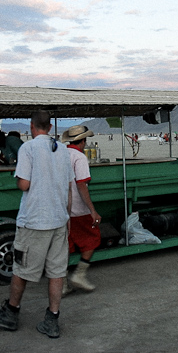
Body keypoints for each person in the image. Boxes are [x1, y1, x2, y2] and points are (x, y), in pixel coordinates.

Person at [0, 110, 74, 338]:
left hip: (35, 220)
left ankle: (11, 313)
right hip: (59, 220)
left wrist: (19, 178)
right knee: (56, 272)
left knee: (22, 269)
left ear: (32, 127)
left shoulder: (28, 148)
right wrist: (68, 218)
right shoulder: (64, 151)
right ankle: (52, 320)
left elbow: (24, 184)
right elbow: (69, 189)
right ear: (51, 128)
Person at [60, 125, 102, 295]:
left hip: (61, 207)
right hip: (78, 208)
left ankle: (61, 284)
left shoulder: (60, 154)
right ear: (83, 141)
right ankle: (79, 275)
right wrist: (92, 210)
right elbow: (81, 185)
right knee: (92, 238)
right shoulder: (79, 157)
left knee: (64, 246)